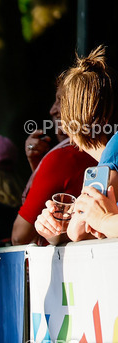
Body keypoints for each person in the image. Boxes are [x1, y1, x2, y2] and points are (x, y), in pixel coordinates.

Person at [35, 46, 116, 244]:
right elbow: (82, 230)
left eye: (60, 102)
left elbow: (79, 232)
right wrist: (54, 228)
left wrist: (98, 220)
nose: (54, 111)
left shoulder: (114, 149)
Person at [11, 87, 98, 245]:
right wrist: (38, 166)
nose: (52, 110)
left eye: (60, 100)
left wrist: (49, 163)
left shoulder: (63, 157)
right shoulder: (104, 147)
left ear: (81, 106)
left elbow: (19, 237)